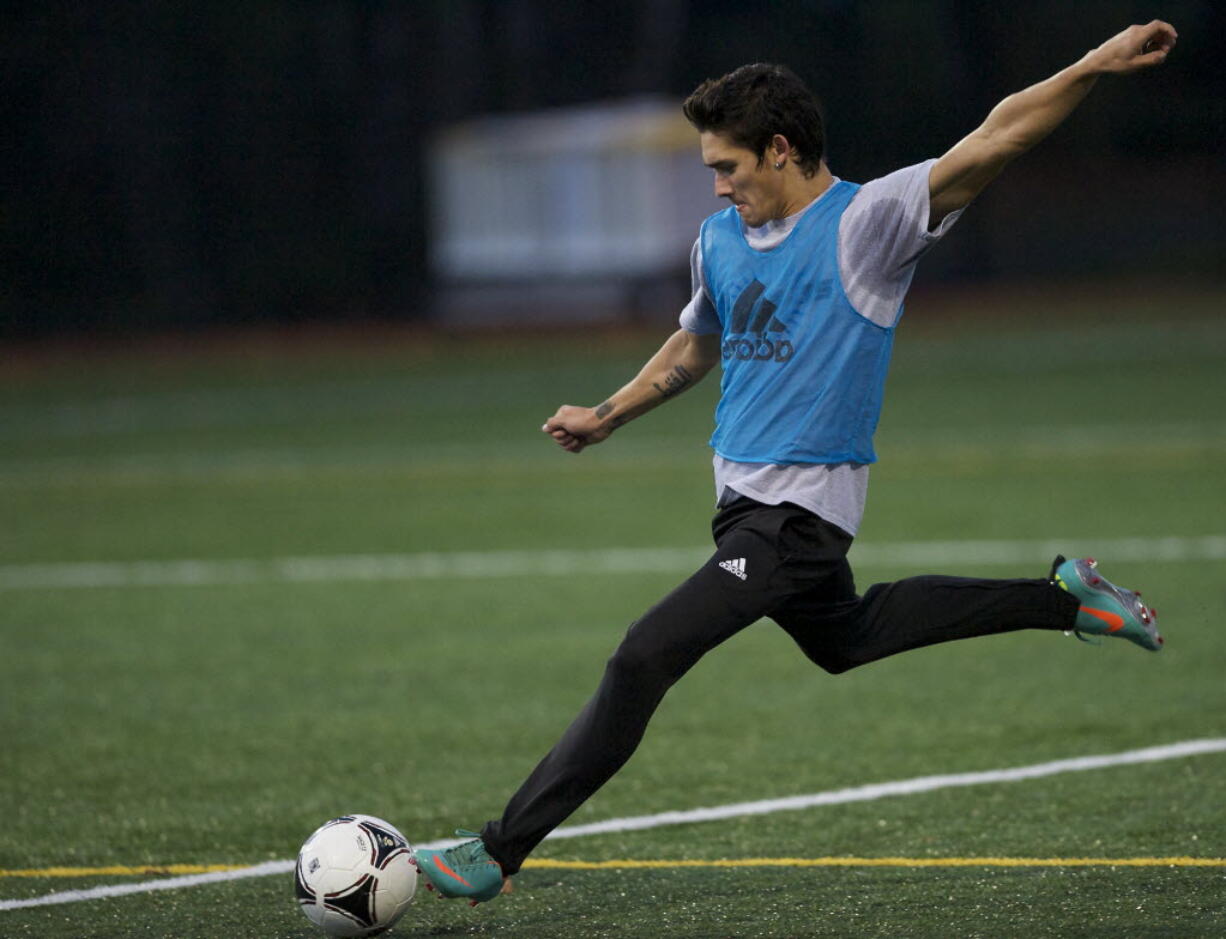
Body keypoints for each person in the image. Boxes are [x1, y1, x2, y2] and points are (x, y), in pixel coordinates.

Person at [415, 20, 1176, 904]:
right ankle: (1066, 600)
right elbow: (697, 343)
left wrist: (1091, 63)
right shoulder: (718, 240)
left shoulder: (869, 223)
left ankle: (499, 850)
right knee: (846, 639)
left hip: (798, 519)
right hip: (744, 508)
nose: (715, 181)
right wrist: (608, 414)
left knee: (641, 657)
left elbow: (996, 135)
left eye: (727, 164)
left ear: (780, 149)